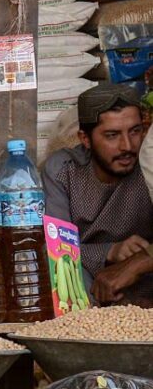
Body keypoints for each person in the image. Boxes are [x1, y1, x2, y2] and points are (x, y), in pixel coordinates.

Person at [43, 82, 153, 306]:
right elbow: (56, 250)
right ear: (85, 139)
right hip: (88, 286)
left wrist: (140, 260)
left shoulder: (149, 164)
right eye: (112, 135)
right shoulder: (64, 172)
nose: (127, 146)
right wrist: (109, 251)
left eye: (135, 131)